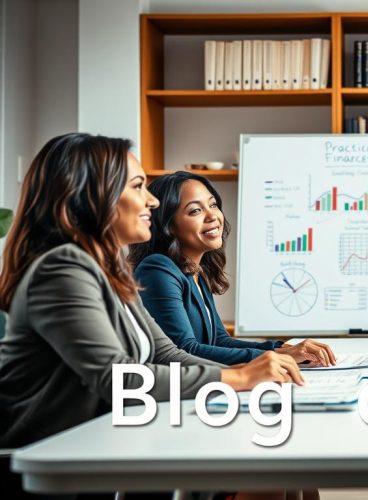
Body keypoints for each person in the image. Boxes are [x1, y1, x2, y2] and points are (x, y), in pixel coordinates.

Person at [0, 133, 303, 498]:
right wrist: (236, 377)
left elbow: (167, 354)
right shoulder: (62, 268)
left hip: (106, 447)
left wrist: (252, 371)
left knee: (281, 463)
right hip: (56, 466)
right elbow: (119, 378)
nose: (152, 200)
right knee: (267, 466)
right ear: (93, 196)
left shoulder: (110, 272)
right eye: (138, 186)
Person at [127, 171, 336, 367]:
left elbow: (219, 340)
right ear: (168, 225)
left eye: (213, 205)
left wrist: (280, 348)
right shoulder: (157, 269)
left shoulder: (196, 271)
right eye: (195, 210)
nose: (212, 216)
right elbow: (184, 350)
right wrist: (278, 357)